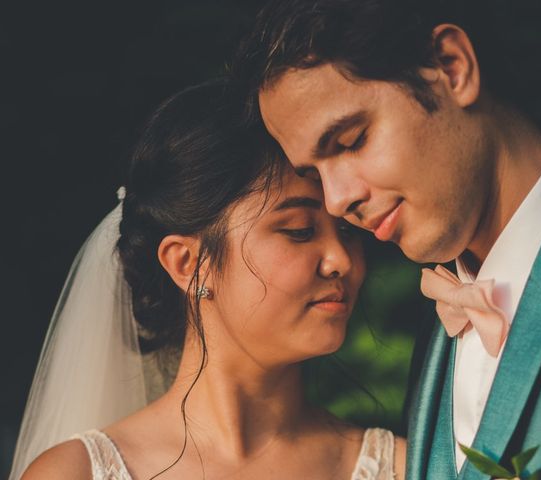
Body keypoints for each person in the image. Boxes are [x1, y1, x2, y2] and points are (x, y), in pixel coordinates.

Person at [233, 0, 541, 478]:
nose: (337, 200)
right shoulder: (443, 324)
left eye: (350, 141)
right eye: (313, 174)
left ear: (451, 67)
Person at [11, 80, 406, 479]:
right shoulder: (72, 473)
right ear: (188, 263)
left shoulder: (403, 467)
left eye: (350, 230)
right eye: (300, 230)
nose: (341, 260)